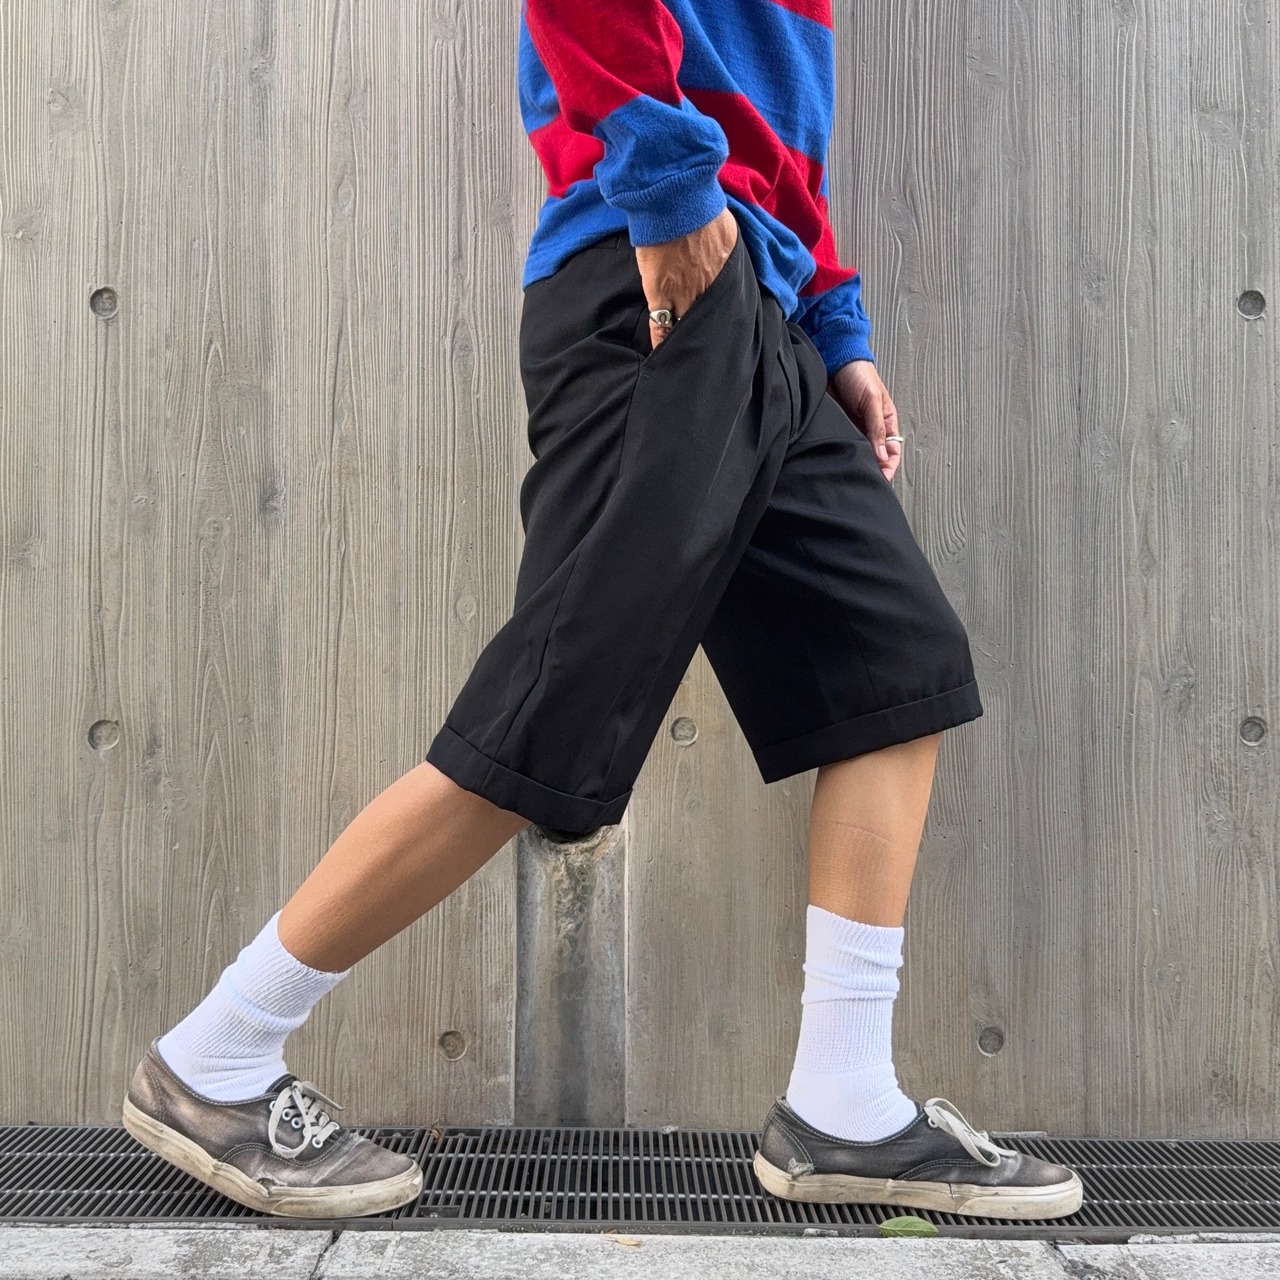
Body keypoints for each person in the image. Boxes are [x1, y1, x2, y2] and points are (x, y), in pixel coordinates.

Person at [121, 0, 1084, 1221]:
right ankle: (213, 1056)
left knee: (895, 669)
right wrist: (671, 197)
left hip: (764, 305)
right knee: (551, 712)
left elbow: (781, 128)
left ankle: (842, 1100)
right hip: (655, 273)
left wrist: (833, 328)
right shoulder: (668, 219)